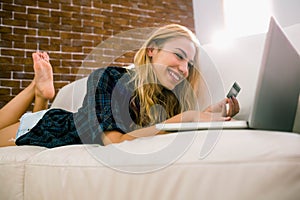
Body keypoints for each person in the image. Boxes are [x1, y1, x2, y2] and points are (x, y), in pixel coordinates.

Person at [0, 24, 239, 148]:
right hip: (46, 126)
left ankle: (41, 94)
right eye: (178, 55)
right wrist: (184, 119)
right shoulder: (110, 78)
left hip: (57, 120)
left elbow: (141, 134)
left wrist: (204, 115)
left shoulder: (168, 100)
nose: (185, 69)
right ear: (152, 50)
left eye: (190, 64)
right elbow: (114, 142)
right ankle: (36, 88)